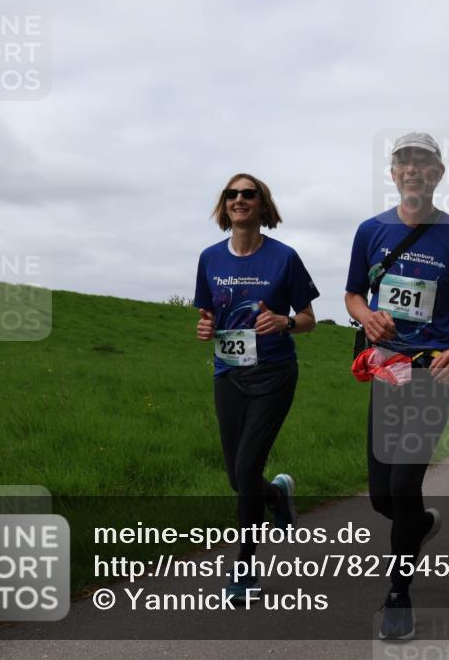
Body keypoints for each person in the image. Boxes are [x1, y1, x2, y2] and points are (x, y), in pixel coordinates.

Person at [345, 132, 449, 640]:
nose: (412, 169)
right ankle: (421, 526)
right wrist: (366, 317)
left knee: (405, 485)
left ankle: (397, 595)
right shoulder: (370, 231)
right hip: (387, 369)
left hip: (436, 370)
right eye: (403, 161)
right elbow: (352, 294)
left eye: (423, 162)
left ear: (438, 174)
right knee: (383, 498)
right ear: (393, 173)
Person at [194, 173, 320, 600]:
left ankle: (244, 571)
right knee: (236, 476)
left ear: (262, 206)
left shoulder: (284, 258)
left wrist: (283, 321)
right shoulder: (210, 258)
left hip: (274, 374)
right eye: (232, 194)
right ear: (224, 205)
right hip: (228, 373)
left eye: (249, 194)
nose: (239, 200)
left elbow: (307, 319)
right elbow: (209, 315)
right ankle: (278, 494)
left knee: (247, 469)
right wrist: (206, 325)